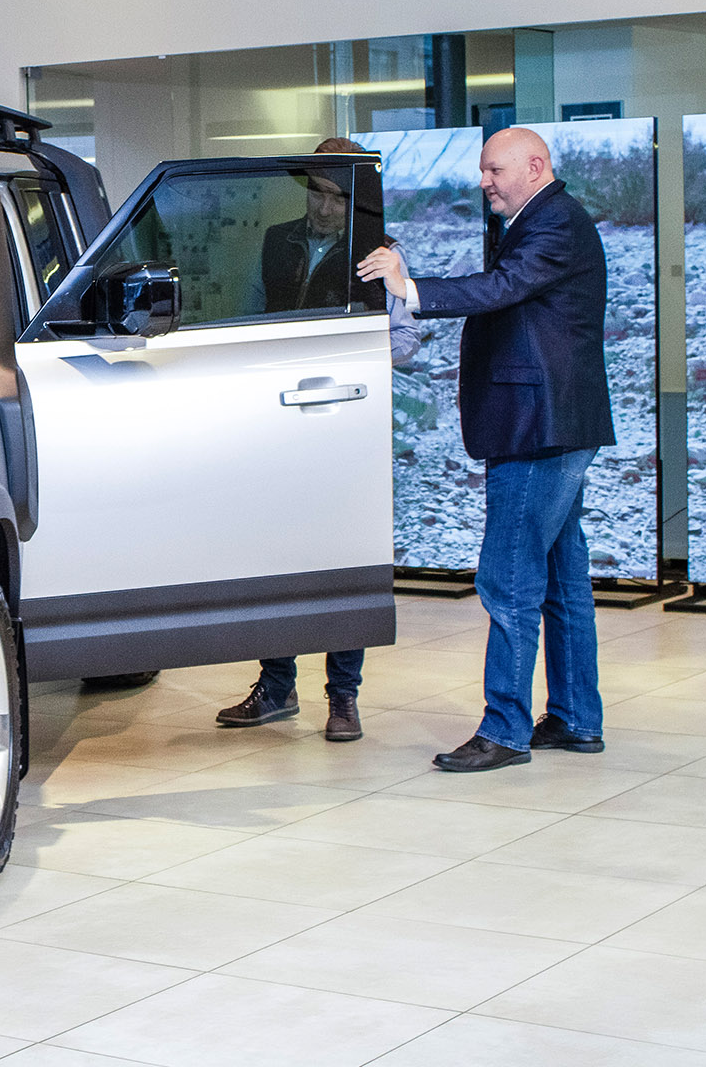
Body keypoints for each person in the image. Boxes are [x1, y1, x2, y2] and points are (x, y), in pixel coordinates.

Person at [358, 126, 614, 772]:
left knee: (509, 582)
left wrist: (408, 288)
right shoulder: (546, 218)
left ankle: (505, 729)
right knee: (560, 581)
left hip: (539, 430)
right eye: (482, 170)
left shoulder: (553, 223)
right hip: (555, 426)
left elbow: (502, 287)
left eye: (494, 169)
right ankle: (577, 718)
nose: (484, 181)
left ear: (534, 165)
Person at [217, 138, 422, 742]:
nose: (323, 208)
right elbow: (255, 311)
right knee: (276, 554)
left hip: (342, 424)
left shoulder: (383, 253)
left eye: (336, 197)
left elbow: (405, 340)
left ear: (356, 198)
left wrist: (354, 361)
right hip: (277, 420)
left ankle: (344, 697)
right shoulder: (277, 239)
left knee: (342, 556)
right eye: (315, 193)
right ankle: (276, 686)